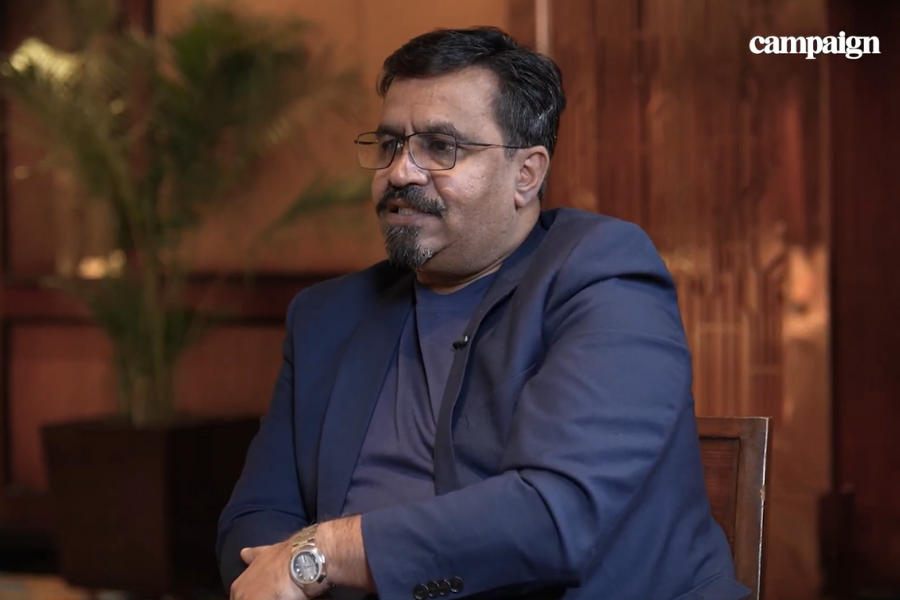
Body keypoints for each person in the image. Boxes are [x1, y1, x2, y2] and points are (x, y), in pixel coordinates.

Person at [218, 26, 750, 600]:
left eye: (440, 147)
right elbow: (256, 514)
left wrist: (323, 554)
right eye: (391, 144)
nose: (400, 172)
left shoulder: (602, 276)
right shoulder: (328, 316)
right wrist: (290, 576)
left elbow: (553, 518)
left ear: (527, 174)